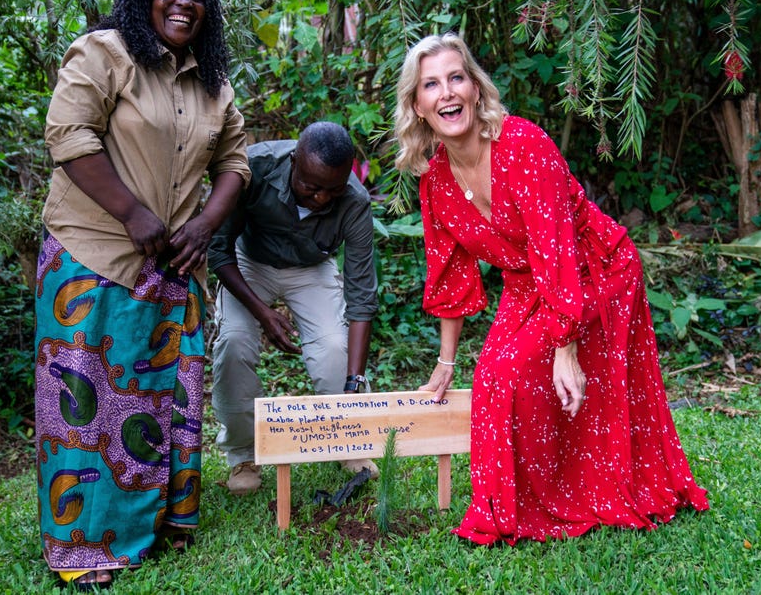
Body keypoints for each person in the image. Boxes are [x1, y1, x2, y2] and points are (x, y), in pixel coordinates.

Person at [393, 33, 709, 546]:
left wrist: (567, 347)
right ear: (417, 106)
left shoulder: (522, 145)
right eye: (431, 85)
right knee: (494, 379)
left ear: (476, 89)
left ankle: (590, 492)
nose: (447, 92)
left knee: (530, 372)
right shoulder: (436, 183)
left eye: (457, 78)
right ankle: (511, 508)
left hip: (594, 270)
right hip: (529, 285)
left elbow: (558, 249)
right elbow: (448, 272)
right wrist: (446, 362)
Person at [34, 0, 250, 590]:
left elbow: (234, 162)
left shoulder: (214, 83)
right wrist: (132, 212)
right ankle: (83, 546)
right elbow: (68, 135)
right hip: (93, 255)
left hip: (173, 268)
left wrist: (205, 225)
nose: (183, 3)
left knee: (161, 401)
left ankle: (158, 525)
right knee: (85, 406)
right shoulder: (104, 54)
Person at [208, 121, 379, 495]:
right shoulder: (254, 167)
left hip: (312, 266)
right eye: (311, 187)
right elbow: (218, 251)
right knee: (234, 342)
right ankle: (243, 456)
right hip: (248, 263)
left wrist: (354, 380)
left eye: (332, 190)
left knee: (335, 346)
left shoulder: (354, 200)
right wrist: (261, 313)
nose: (321, 198)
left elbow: (362, 293)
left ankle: (349, 438)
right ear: (293, 163)